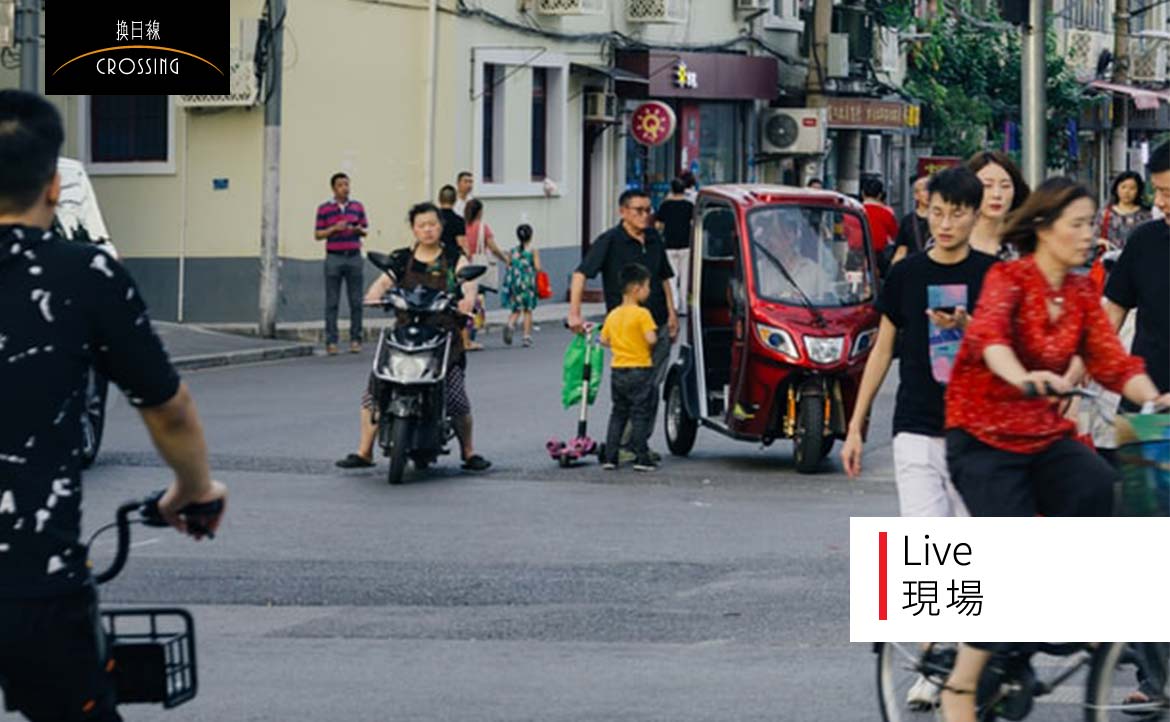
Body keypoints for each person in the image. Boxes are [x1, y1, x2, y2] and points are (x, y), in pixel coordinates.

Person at [0, 89, 228, 722]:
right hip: (34, 588)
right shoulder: (85, 275)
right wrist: (194, 488)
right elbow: (168, 409)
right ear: (54, 185)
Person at [842, 166, 992, 515]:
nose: (946, 224)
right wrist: (855, 427)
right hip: (915, 428)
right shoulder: (906, 274)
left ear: (975, 215)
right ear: (926, 211)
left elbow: (1006, 354)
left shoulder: (992, 274)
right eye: (938, 212)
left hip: (976, 432)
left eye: (957, 214)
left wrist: (967, 326)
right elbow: (881, 351)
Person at [335, 202, 491, 472]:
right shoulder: (402, 258)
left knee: (456, 396)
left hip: (442, 336)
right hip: (405, 334)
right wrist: (373, 296)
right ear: (414, 229)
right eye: (422, 225)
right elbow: (385, 281)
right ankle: (364, 451)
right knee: (374, 390)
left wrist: (468, 299)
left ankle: (468, 451)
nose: (428, 230)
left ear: (440, 227)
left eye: (432, 224)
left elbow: (468, 283)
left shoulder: (455, 258)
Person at [568, 189, 678, 461]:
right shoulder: (610, 240)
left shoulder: (653, 238)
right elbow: (581, 274)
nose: (644, 215)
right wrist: (575, 313)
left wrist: (673, 312)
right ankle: (626, 445)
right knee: (631, 390)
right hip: (627, 330)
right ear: (623, 212)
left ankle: (636, 443)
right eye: (638, 210)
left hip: (658, 323)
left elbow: (664, 277)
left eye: (647, 210)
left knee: (651, 387)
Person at [1104, 142, 1170, 407]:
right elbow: (1115, 309)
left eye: (1167, 192)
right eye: (1157, 191)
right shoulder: (1144, 241)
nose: (1159, 202)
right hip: (1145, 400)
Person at [599, 263, 660, 472]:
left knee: (618, 413)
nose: (649, 291)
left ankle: (610, 456)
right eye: (647, 287)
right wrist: (648, 342)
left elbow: (604, 339)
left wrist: (620, 344)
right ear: (636, 289)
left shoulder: (613, 315)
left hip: (618, 369)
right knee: (640, 414)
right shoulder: (642, 315)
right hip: (640, 369)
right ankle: (641, 457)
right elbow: (651, 338)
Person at [315, 172, 369, 355]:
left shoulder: (357, 206)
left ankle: (356, 339)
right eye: (340, 185)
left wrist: (357, 230)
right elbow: (317, 234)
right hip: (334, 257)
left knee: (356, 302)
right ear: (333, 188)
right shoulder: (324, 209)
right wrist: (334, 229)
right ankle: (331, 342)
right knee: (332, 302)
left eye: (347, 184)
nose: (345, 188)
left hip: (354, 256)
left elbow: (365, 229)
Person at [966, 151, 1030, 260]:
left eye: (1005, 186)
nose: (997, 194)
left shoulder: (1026, 244)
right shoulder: (953, 239)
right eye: (987, 186)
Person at [462, 198, 508, 351]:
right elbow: (493, 248)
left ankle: (464, 335)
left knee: (465, 301)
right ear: (480, 212)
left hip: (465, 267)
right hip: (480, 269)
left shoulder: (463, 227)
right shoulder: (483, 228)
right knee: (477, 303)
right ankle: (471, 335)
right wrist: (505, 258)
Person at [655, 178, 694, 315]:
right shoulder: (689, 206)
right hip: (686, 245)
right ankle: (684, 307)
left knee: (671, 277)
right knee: (685, 278)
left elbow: (658, 225)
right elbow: (694, 223)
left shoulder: (666, 205)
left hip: (669, 245)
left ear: (671, 189)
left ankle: (674, 305)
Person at [502, 223, 542, 347]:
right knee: (527, 310)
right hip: (528, 283)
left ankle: (510, 324)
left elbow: (508, 265)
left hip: (515, 283)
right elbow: (538, 267)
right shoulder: (533, 251)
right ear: (531, 236)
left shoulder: (512, 251)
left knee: (516, 308)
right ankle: (526, 337)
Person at [1094, 170, 1153, 255]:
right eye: (1123, 187)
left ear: (1138, 190)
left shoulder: (1146, 215)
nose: (1127, 191)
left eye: (1132, 188)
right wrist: (1101, 241)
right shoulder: (1105, 213)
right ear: (1116, 188)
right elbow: (1092, 238)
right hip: (1110, 263)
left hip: (1138, 263)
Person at [891, 172, 932, 265]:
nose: (929, 193)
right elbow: (901, 250)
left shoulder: (942, 220)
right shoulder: (907, 221)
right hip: (915, 267)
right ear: (916, 195)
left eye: (931, 189)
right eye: (925, 189)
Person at [861, 176, 899, 275]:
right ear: (880, 195)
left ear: (863, 193)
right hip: (878, 258)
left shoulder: (855, 210)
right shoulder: (887, 212)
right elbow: (895, 235)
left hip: (856, 255)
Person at [437, 184, 467, 258]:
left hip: (434, 255)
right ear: (455, 200)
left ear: (439, 199)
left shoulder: (434, 219)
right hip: (452, 257)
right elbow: (461, 244)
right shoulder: (459, 220)